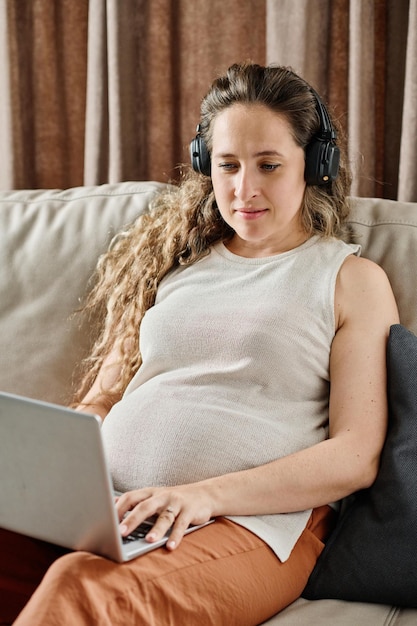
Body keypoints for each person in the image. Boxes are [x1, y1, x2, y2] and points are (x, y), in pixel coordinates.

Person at [1, 62, 399, 625]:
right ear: (204, 164)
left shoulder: (350, 281)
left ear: (315, 166)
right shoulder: (170, 266)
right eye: (228, 165)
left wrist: (204, 495)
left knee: (84, 589)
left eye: (269, 165)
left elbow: (356, 455)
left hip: (248, 527)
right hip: (114, 514)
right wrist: (57, 471)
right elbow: (101, 398)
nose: (245, 189)